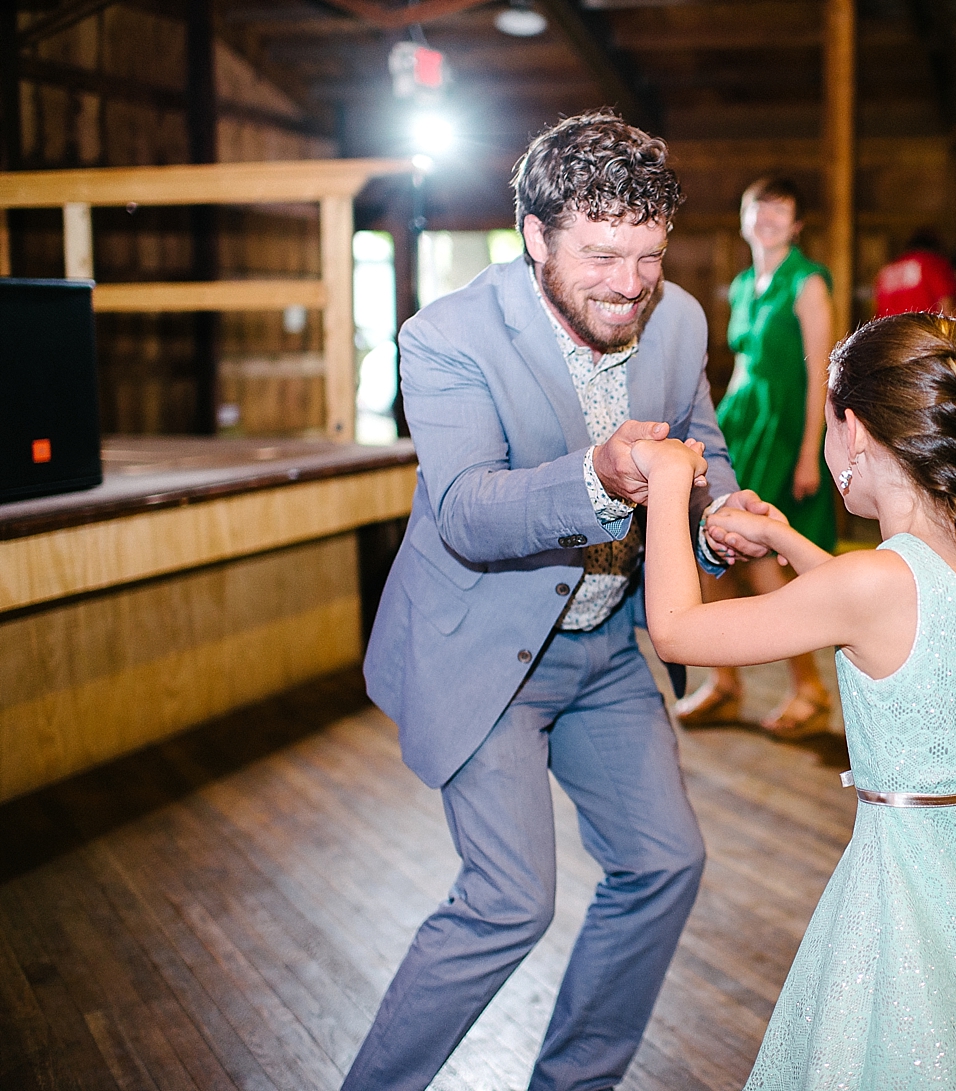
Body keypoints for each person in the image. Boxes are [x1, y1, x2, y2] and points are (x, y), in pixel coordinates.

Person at [345, 111, 776, 1091]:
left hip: (611, 647)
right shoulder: (445, 335)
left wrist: (716, 510)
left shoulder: (682, 318)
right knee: (508, 900)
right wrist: (595, 472)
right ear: (534, 237)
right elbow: (465, 511)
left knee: (663, 863)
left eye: (649, 255)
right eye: (600, 253)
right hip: (488, 652)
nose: (629, 282)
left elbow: (702, 444)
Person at [636, 313, 956, 1089]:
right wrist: (787, 542)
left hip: (916, 906)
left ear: (852, 431)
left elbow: (679, 632)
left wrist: (668, 482)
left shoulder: (871, 585)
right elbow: (894, 616)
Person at [673, 176, 836, 738]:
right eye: (757, 208)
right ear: (744, 218)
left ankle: (808, 689)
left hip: (787, 427)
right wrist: (714, 426)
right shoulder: (744, 284)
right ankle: (723, 682)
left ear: (796, 224)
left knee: (767, 554)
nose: (767, 218)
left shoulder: (808, 283)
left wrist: (811, 453)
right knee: (709, 539)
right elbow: (741, 363)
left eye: (780, 209)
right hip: (741, 420)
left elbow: (822, 372)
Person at [871, 228, 956, 318]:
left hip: (889, 331)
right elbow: (948, 307)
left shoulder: (887, 271)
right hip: (922, 330)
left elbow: (877, 312)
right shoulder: (934, 263)